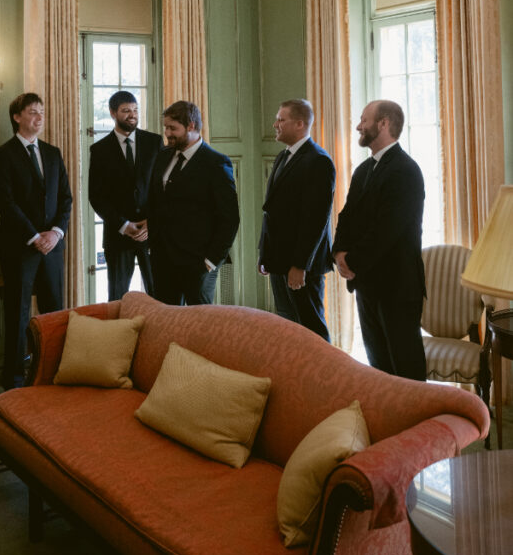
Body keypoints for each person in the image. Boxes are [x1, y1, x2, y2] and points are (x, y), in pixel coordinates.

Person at [333, 99, 426, 381]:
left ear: (383, 124)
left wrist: (352, 261)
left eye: (364, 120)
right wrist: (339, 253)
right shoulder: (363, 170)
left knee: (406, 371)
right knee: (379, 370)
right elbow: (347, 217)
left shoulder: (406, 170)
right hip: (367, 283)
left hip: (397, 286)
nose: (359, 126)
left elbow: (387, 230)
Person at [0, 93, 72, 389]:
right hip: (18, 245)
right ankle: (13, 381)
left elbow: (66, 199)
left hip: (52, 245)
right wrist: (34, 236)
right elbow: (5, 202)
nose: (39, 117)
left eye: (42, 112)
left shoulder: (53, 152)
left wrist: (56, 233)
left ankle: (50, 374)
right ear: (17, 117)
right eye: (33, 112)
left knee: (54, 310)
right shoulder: (2, 155)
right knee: (18, 312)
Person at [148, 100, 240, 305]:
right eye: (166, 128)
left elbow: (230, 218)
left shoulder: (216, 163)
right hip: (162, 261)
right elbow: (156, 203)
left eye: (173, 128)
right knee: (166, 319)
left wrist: (211, 261)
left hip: (198, 264)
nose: (167, 133)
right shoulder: (162, 156)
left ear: (191, 126)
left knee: (200, 322)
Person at [258, 99, 335, 340]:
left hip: (301, 266)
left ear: (300, 124)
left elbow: (316, 220)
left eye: (281, 120)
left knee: (311, 328)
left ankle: (324, 366)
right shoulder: (283, 157)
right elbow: (271, 210)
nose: (275, 125)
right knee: (288, 327)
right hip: (278, 260)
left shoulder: (319, 160)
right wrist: (264, 253)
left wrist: (300, 265)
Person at [88, 90, 164, 300]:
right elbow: (96, 196)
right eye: (126, 110)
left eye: (135, 110)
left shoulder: (154, 142)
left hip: (152, 233)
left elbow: (163, 189)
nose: (132, 115)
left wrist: (151, 222)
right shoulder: (99, 150)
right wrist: (123, 225)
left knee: (159, 295)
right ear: (113, 113)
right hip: (118, 235)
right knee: (117, 297)